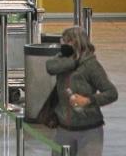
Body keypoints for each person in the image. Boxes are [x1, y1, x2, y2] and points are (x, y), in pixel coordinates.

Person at [46, 26, 118, 155]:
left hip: (89, 130)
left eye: (68, 41)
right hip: (63, 129)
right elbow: (50, 67)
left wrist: (88, 100)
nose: (64, 45)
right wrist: (74, 61)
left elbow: (111, 93)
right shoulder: (61, 60)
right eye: (63, 41)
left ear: (78, 43)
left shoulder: (91, 65)